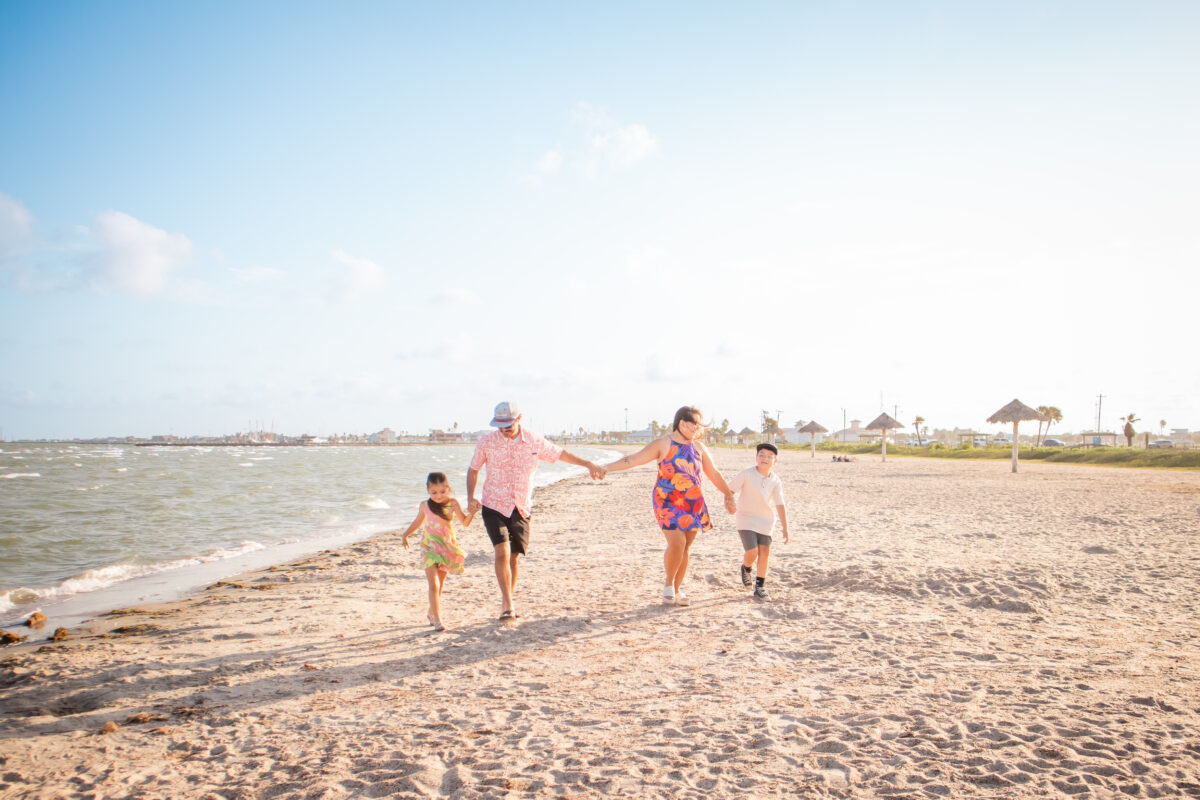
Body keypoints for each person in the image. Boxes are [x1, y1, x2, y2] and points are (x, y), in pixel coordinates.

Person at [467, 401, 605, 620]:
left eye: (508, 424)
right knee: (501, 550)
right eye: (500, 425)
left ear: (519, 419)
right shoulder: (487, 442)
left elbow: (561, 454)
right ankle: (508, 602)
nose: (504, 428)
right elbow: (473, 469)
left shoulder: (533, 440)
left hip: (521, 505)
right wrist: (470, 497)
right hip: (493, 503)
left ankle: (507, 598)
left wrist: (588, 464)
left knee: (513, 556)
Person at [603, 406, 735, 607]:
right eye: (695, 425)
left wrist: (728, 494)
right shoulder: (663, 444)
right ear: (682, 422)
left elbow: (714, 473)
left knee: (686, 546)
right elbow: (633, 460)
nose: (698, 430)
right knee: (677, 543)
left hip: (692, 501)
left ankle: (677, 588)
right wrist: (605, 468)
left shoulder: (699, 447)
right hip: (666, 501)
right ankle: (668, 585)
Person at [401, 471, 475, 631]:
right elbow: (417, 522)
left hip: (446, 548)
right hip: (429, 548)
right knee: (433, 584)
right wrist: (406, 534)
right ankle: (438, 620)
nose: (438, 496)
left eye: (442, 491)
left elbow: (465, 522)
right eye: (434, 492)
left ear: (447, 488)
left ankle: (431, 612)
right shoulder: (425, 506)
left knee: (439, 585)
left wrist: (473, 513)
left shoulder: (453, 503)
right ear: (428, 490)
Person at [727, 442, 789, 599]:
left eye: (769, 456)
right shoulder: (746, 473)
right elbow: (730, 490)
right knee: (752, 551)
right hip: (745, 517)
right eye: (761, 455)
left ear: (775, 461)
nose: (765, 458)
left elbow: (780, 504)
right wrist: (729, 502)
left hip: (766, 520)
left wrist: (785, 528)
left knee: (764, 553)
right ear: (756, 457)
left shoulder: (776, 480)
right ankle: (746, 567)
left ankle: (760, 587)